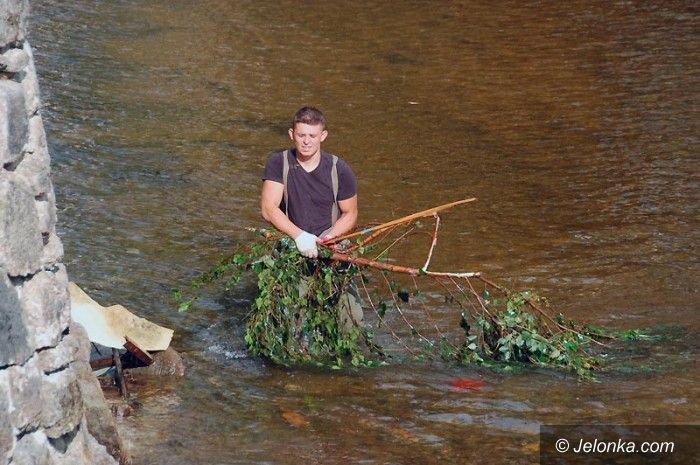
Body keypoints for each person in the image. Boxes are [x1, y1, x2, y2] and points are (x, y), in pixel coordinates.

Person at [261, 106, 358, 258]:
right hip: (291, 245)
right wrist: (300, 237)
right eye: (301, 135)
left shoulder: (340, 170)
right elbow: (268, 209)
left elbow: (350, 213)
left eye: (312, 136)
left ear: (323, 136)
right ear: (291, 134)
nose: (306, 141)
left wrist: (330, 238)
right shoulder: (278, 163)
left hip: (329, 248)